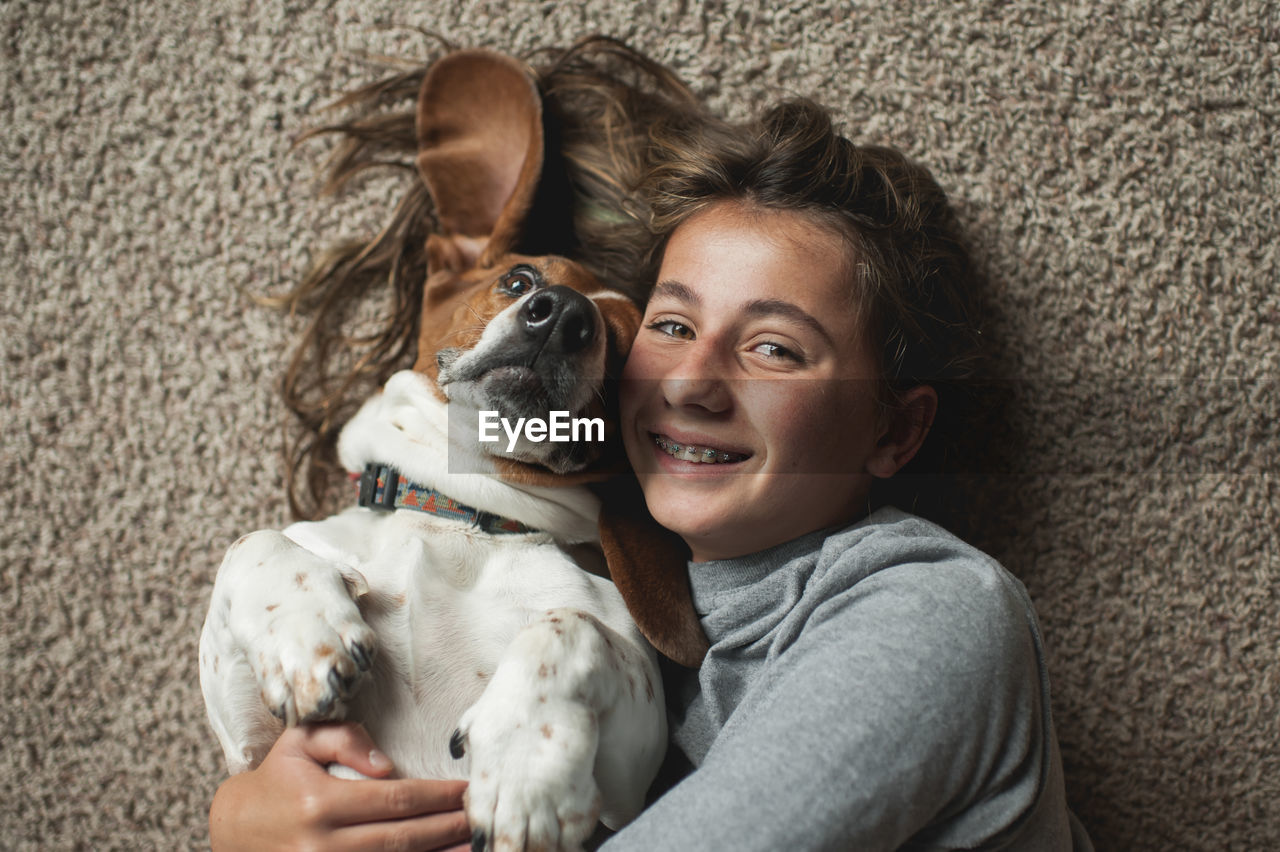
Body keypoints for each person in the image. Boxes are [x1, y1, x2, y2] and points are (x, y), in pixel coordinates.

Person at [210, 42, 1090, 852]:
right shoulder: (641, 639)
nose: (689, 384)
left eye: (774, 348)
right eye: (669, 326)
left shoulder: (933, 611)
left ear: (893, 429)